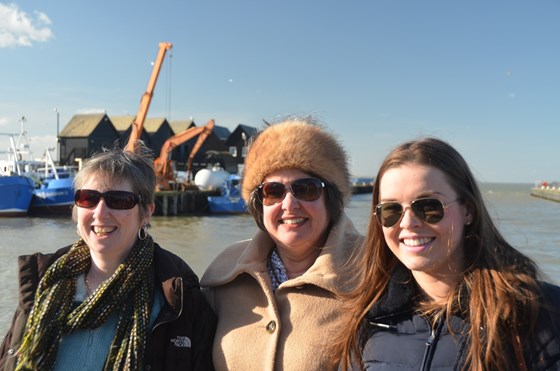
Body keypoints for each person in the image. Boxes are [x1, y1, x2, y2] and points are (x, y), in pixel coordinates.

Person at [337, 137, 560, 370]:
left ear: (468, 211)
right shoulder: (368, 320)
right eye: (391, 209)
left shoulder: (537, 313)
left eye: (428, 206)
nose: (408, 222)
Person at [0, 143, 215, 371]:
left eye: (119, 200)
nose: (100, 213)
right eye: (88, 198)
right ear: (76, 209)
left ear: (146, 213)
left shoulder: (178, 297)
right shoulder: (43, 283)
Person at [200, 117, 364, 370]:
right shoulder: (223, 275)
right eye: (273, 191)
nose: (289, 204)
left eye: (306, 189)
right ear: (259, 203)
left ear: (331, 199)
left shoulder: (373, 271)